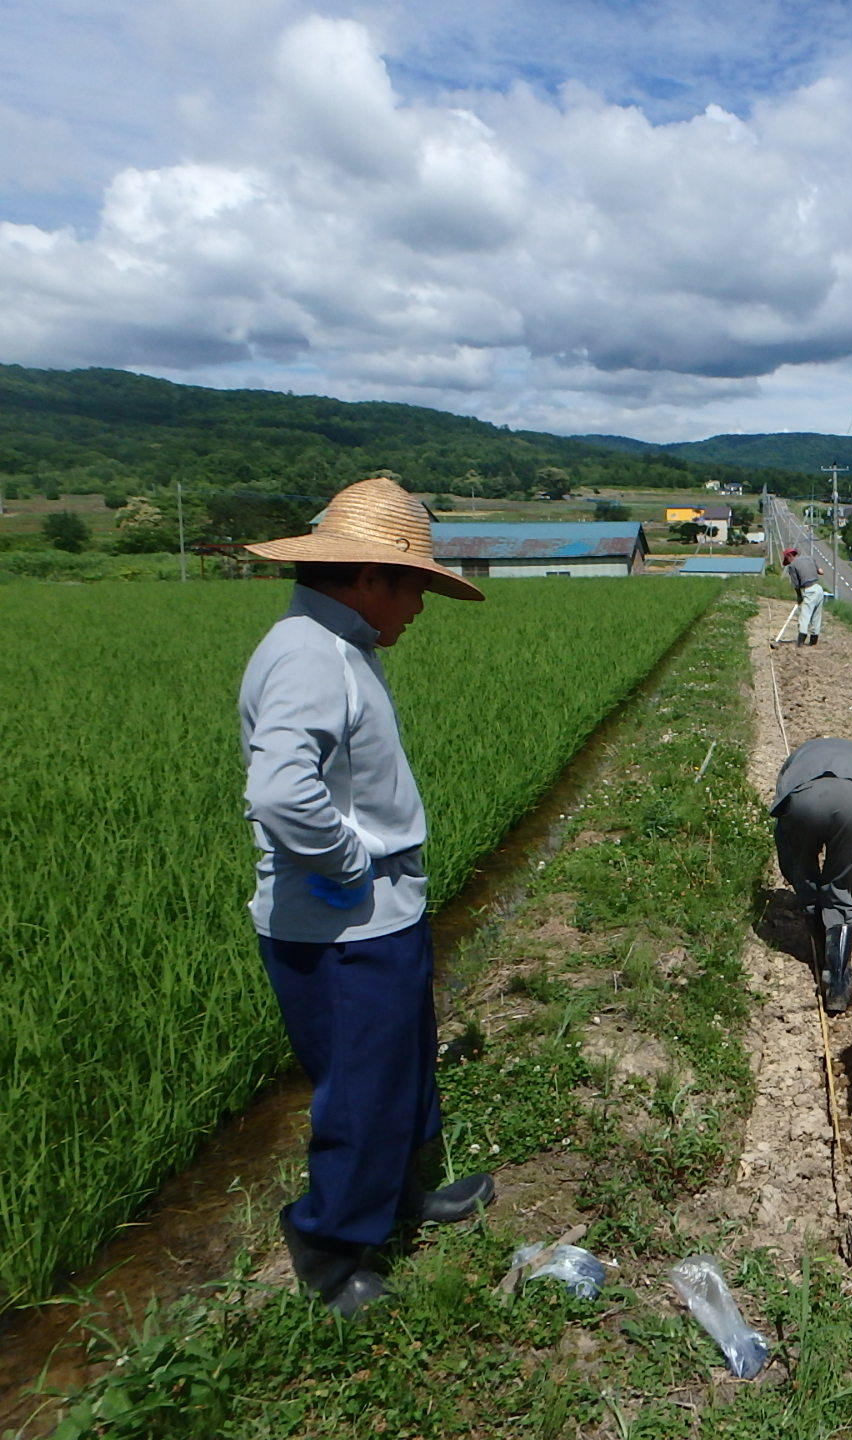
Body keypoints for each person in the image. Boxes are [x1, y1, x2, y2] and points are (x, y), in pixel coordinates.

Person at [241, 477, 496, 1316]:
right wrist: (350, 864)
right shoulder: (309, 655)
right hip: (343, 928)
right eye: (415, 586)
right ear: (366, 577)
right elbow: (281, 793)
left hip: (381, 918)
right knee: (359, 1089)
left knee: (401, 1065)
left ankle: (403, 1199)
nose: (419, 608)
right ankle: (329, 1247)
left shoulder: (339, 646)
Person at [771, 737, 852, 1014]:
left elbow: (784, 836)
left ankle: (818, 933)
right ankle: (837, 982)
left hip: (805, 798)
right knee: (840, 892)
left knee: (805, 870)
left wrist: (802, 882)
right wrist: (848, 890)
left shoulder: (798, 758)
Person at [782, 546, 825, 645]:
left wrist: (799, 597)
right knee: (816, 617)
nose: (788, 562)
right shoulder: (810, 558)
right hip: (819, 589)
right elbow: (821, 571)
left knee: (804, 616)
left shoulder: (792, 566)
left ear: (789, 556)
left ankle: (800, 642)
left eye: (787, 559)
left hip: (809, 590)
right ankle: (813, 641)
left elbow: (796, 585)